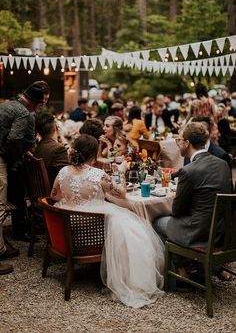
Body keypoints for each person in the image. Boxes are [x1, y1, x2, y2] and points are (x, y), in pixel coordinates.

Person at [51, 134, 164, 308]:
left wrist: (73, 199)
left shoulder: (63, 171)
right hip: (91, 229)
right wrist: (120, 169)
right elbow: (121, 193)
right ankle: (131, 276)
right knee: (133, 228)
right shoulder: (97, 174)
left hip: (67, 225)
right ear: (93, 154)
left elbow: (54, 195)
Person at [153, 122, 232, 250]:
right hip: (221, 231)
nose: (177, 144)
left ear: (186, 143)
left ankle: (177, 265)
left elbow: (177, 211)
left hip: (198, 234)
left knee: (155, 222)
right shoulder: (222, 163)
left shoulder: (189, 170)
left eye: (178, 140)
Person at [0, 80, 50, 274]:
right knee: (0, 204)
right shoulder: (24, 114)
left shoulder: (7, 105)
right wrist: (13, 160)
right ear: (36, 103)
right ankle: (1, 250)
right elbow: (13, 140)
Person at [34, 112, 69, 188]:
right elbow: (65, 177)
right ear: (55, 127)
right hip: (53, 191)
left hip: (39, 189)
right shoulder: (59, 149)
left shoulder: (38, 146)